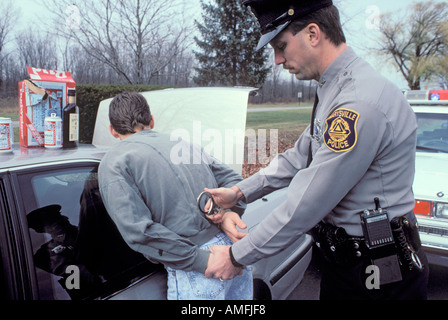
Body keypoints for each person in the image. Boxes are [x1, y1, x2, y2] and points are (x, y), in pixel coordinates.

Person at [204, 0, 429, 300]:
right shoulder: (335, 87)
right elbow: (299, 157)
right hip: (350, 265)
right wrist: (240, 192)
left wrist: (235, 256)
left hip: (379, 275)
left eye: (281, 46)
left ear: (313, 34)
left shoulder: (357, 101)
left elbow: (307, 202)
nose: (277, 60)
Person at [98, 91, 252, 300]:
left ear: (112, 131)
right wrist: (226, 213)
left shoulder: (114, 161)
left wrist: (201, 259)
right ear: (151, 121)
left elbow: (138, 232)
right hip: (234, 248)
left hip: (202, 268)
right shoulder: (184, 144)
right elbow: (237, 184)